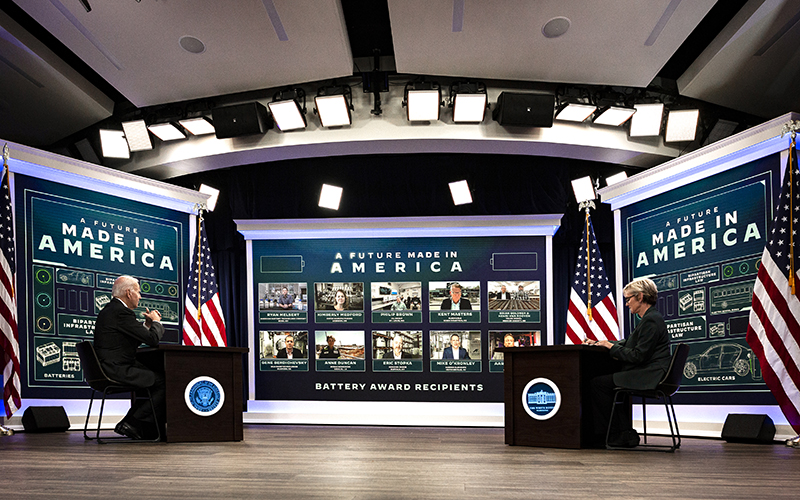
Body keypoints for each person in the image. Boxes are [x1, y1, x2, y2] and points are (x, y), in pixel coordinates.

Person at [584, 277, 670, 448]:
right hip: (648, 371)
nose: (626, 303)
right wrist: (603, 343)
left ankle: (611, 435)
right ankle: (622, 432)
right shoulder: (649, 318)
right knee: (605, 383)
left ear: (640, 296)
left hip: (650, 375)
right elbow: (630, 343)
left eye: (628, 299)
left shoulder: (651, 320)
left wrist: (610, 346)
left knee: (598, 384)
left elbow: (638, 356)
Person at [93, 275, 164, 440]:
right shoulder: (121, 313)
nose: (140, 296)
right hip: (116, 369)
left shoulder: (111, 310)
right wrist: (156, 322)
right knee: (162, 381)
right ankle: (132, 422)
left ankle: (133, 424)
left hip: (109, 367)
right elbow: (153, 340)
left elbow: (131, 339)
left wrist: (146, 326)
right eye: (138, 292)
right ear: (128, 292)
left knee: (151, 378)